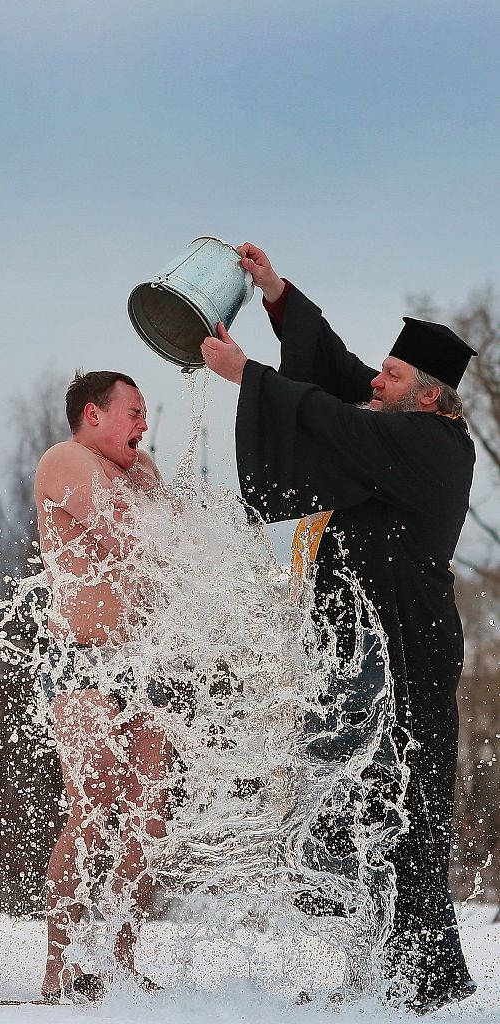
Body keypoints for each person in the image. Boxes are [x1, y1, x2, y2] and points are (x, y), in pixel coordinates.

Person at [200, 243, 478, 1013]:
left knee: (411, 814)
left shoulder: (432, 446)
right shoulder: (404, 412)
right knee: (360, 805)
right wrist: (278, 293)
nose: (374, 382)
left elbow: (330, 417)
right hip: (367, 650)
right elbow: (339, 372)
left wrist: (247, 378)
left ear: (426, 397)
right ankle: (382, 969)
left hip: (410, 648)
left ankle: (427, 979)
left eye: (391, 377)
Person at [34, 370, 172, 1002]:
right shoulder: (66, 460)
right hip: (81, 656)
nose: (144, 426)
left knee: (153, 810)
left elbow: (181, 551)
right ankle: (56, 969)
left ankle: (122, 954)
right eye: (134, 414)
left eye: (145, 415)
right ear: (95, 414)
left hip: (140, 660)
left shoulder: (139, 473)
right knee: (92, 802)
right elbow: (128, 544)